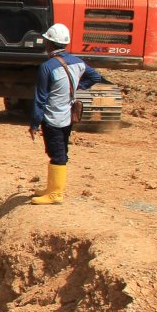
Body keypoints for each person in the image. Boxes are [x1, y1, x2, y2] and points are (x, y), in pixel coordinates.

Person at [28, 24, 105, 205]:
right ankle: (52, 188)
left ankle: (55, 194)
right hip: (68, 115)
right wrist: (75, 88)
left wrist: (34, 123)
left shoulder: (47, 67)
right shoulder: (78, 62)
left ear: (49, 43)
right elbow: (95, 77)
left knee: (57, 153)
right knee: (59, 150)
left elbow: (40, 99)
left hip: (53, 117)